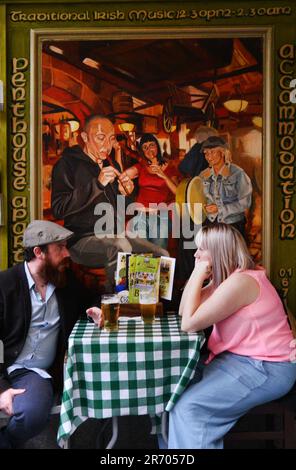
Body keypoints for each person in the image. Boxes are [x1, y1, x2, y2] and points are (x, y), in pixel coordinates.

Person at [167, 224, 296, 449]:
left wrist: (198, 273)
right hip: (240, 360)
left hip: (268, 367)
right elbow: (183, 311)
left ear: (218, 251)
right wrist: (198, 275)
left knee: (190, 408)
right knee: (173, 393)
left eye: (201, 249)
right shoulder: (226, 281)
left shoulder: (242, 282)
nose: (196, 254)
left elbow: (188, 324)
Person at [0, 220, 103, 449]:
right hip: (8, 366)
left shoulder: (64, 281)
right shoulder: (5, 284)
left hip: (38, 373)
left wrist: (95, 308)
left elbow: (92, 297)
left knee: (32, 413)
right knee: (30, 411)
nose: (67, 253)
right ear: (39, 252)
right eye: (60, 248)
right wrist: (2, 389)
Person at [51, 116, 168, 291]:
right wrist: (96, 185)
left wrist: (123, 193)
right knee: (121, 247)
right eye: (100, 137)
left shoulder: (110, 164)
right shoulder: (67, 164)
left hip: (115, 235)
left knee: (161, 255)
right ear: (84, 137)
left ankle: (152, 301)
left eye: (111, 138)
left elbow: (118, 208)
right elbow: (59, 209)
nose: (107, 145)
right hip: (81, 240)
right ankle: (120, 302)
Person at [123, 133, 179, 249]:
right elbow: (123, 176)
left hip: (161, 216)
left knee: (158, 252)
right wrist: (118, 151)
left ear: (157, 147)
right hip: (142, 214)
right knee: (141, 252)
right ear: (142, 151)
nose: (149, 149)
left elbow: (178, 193)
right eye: (145, 147)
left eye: (151, 145)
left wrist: (163, 175)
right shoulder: (141, 166)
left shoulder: (170, 167)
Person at [199, 135, 252, 238]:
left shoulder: (237, 173)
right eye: (206, 153)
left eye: (213, 152)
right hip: (210, 225)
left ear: (222, 152)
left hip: (233, 226)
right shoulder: (203, 175)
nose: (209, 157)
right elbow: (198, 198)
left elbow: (245, 202)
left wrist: (220, 209)